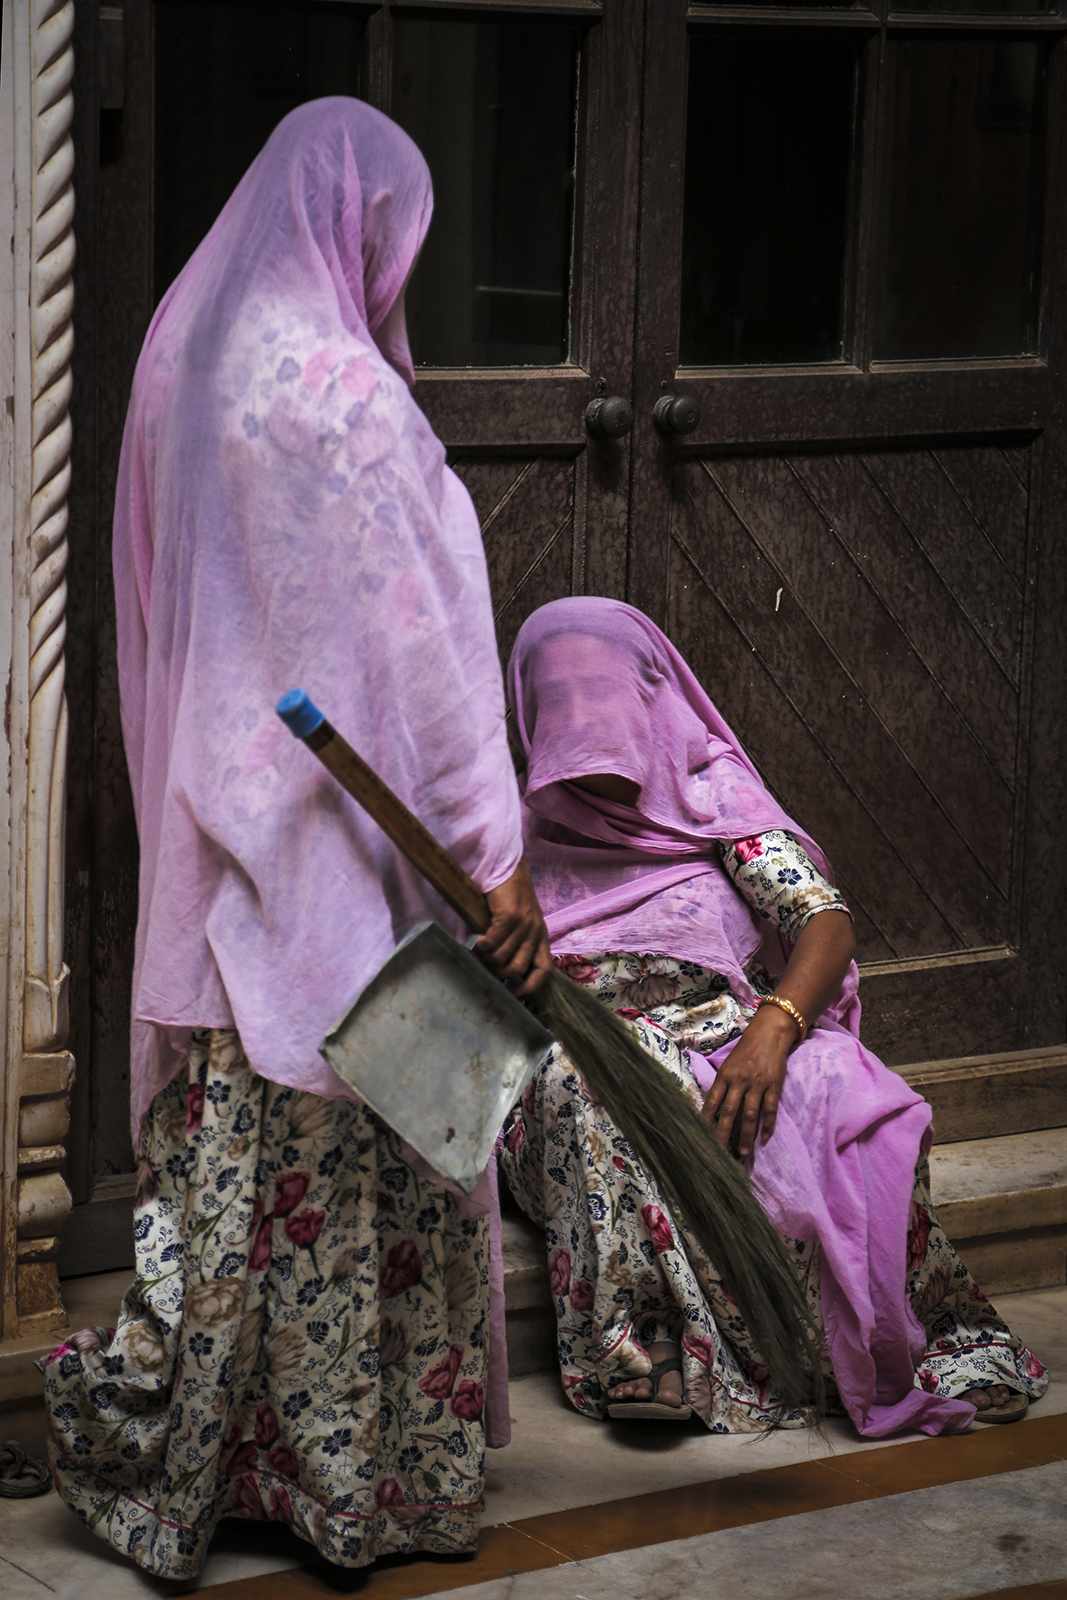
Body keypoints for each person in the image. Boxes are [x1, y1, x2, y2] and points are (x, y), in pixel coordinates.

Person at [39, 99, 550, 1581]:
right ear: (366, 225)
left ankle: (212, 1462)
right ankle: (354, 1487)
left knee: (229, 1184)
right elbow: (426, 654)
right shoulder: (340, 395)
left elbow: (150, 606)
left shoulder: (175, 362)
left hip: (212, 831)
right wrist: (487, 850)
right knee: (354, 1167)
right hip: (341, 873)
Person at [499, 597, 1048, 1435]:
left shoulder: (712, 801)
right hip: (576, 1059)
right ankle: (643, 1349)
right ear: (532, 708)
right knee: (584, 1083)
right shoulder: (502, 837)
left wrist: (774, 1027)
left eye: (603, 693)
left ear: (651, 694)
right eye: (562, 697)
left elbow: (821, 922)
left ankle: (939, 1335)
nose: (587, 721)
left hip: (733, 1032)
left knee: (838, 1086)